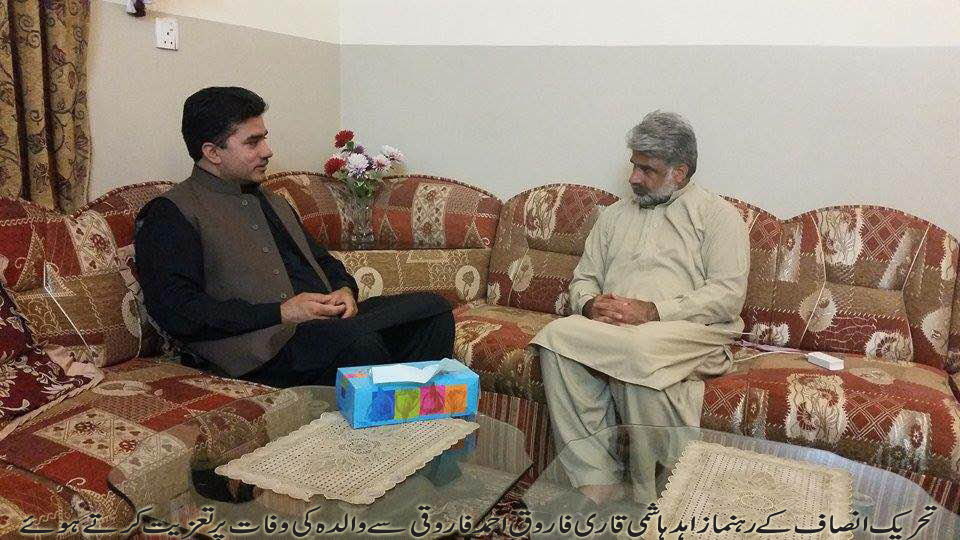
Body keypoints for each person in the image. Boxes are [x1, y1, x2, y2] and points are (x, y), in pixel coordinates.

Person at [135, 86, 454, 387]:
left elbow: (323, 261)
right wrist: (282, 311)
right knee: (358, 345)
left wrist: (344, 290)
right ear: (212, 152)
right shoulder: (171, 212)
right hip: (261, 348)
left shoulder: (273, 200)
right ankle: (393, 414)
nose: (267, 151)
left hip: (323, 328)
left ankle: (413, 413)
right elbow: (178, 310)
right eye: (252, 143)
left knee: (433, 311)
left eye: (264, 138)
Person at [531, 111, 749, 505]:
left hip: (688, 331)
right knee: (555, 337)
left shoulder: (718, 217)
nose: (633, 177)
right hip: (616, 331)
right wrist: (589, 304)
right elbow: (584, 279)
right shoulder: (614, 216)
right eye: (634, 165)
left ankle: (651, 494)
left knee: (637, 349)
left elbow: (727, 295)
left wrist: (653, 311)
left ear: (679, 172)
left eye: (646, 169)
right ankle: (595, 476)